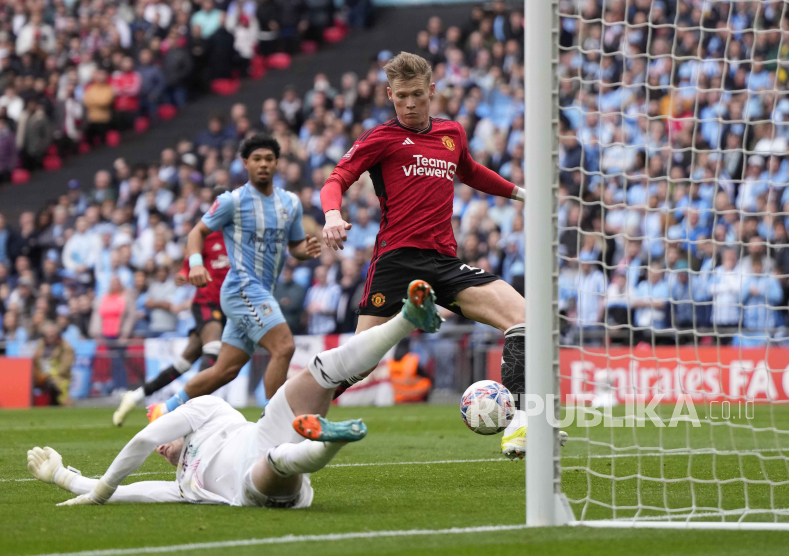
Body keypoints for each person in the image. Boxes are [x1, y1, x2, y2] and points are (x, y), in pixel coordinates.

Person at [27, 280, 441, 507]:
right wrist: (65, 477)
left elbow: (144, 438)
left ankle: (407, 317)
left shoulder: (206, 409)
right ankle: (326, 439)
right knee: (277, 463)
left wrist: (97, 494)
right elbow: (128, 491)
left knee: (323, 370)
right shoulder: (180, 487)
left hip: (264, 429)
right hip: (250, 483)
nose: (160, 448)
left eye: (167, 436)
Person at [320, 52, 532, 459]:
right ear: (389, 94)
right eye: (401, 96)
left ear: (432, 90)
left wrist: (522, 194)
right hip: (397, 261)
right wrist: (332, 213)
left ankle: (521, 428)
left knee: (523, 319)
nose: (411, 104)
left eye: (417, 94)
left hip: (444, 262)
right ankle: (281, 420)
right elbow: (337, 178)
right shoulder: (380, 138)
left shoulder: (452, 132)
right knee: (358, 364)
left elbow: (469, 171)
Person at [147, 134, 321, 422]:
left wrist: (307, 249)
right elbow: (196, 233)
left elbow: (295, 246)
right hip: (242, 287)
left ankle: (164, 410)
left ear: (277, 163)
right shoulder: (232, 201)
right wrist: (194, 264)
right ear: (246, 163)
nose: (263, 164)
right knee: (284, 346)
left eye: (268, 159)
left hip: (261, 292)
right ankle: (276, 424)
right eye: (257, 159)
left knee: (225, 370)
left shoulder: (290, 203)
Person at [113, 217, 231, 426]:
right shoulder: (206, 238)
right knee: (213, 348)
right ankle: (194, 410)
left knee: (184, 363)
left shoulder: (239, 239)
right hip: (205, 303)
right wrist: (184, 275)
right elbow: (187, 266)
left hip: (227, 307)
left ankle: (135, 397)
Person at [32, 321, 75, 406]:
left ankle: (57, 402)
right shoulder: (40, 344)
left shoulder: (66, 347)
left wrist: (48, 374)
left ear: (58, 334)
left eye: (53, 333)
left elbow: (64, 367)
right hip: (40, 375)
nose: (50, 335)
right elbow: (35, 361)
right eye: (48, 333)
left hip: (58, 378)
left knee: (51, 384)